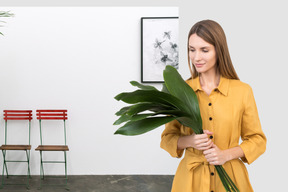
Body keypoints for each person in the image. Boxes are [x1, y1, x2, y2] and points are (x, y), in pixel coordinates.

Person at [160, 20, 266, 192]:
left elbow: (257, 140)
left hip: (231, 179)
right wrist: (190, 141)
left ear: (219, 50)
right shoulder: (179, 91)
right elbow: (167, 139)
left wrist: (226, 155)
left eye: (204, 50)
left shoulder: (242, 91)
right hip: (189, 182)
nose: (196, 57)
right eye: (192, 49)